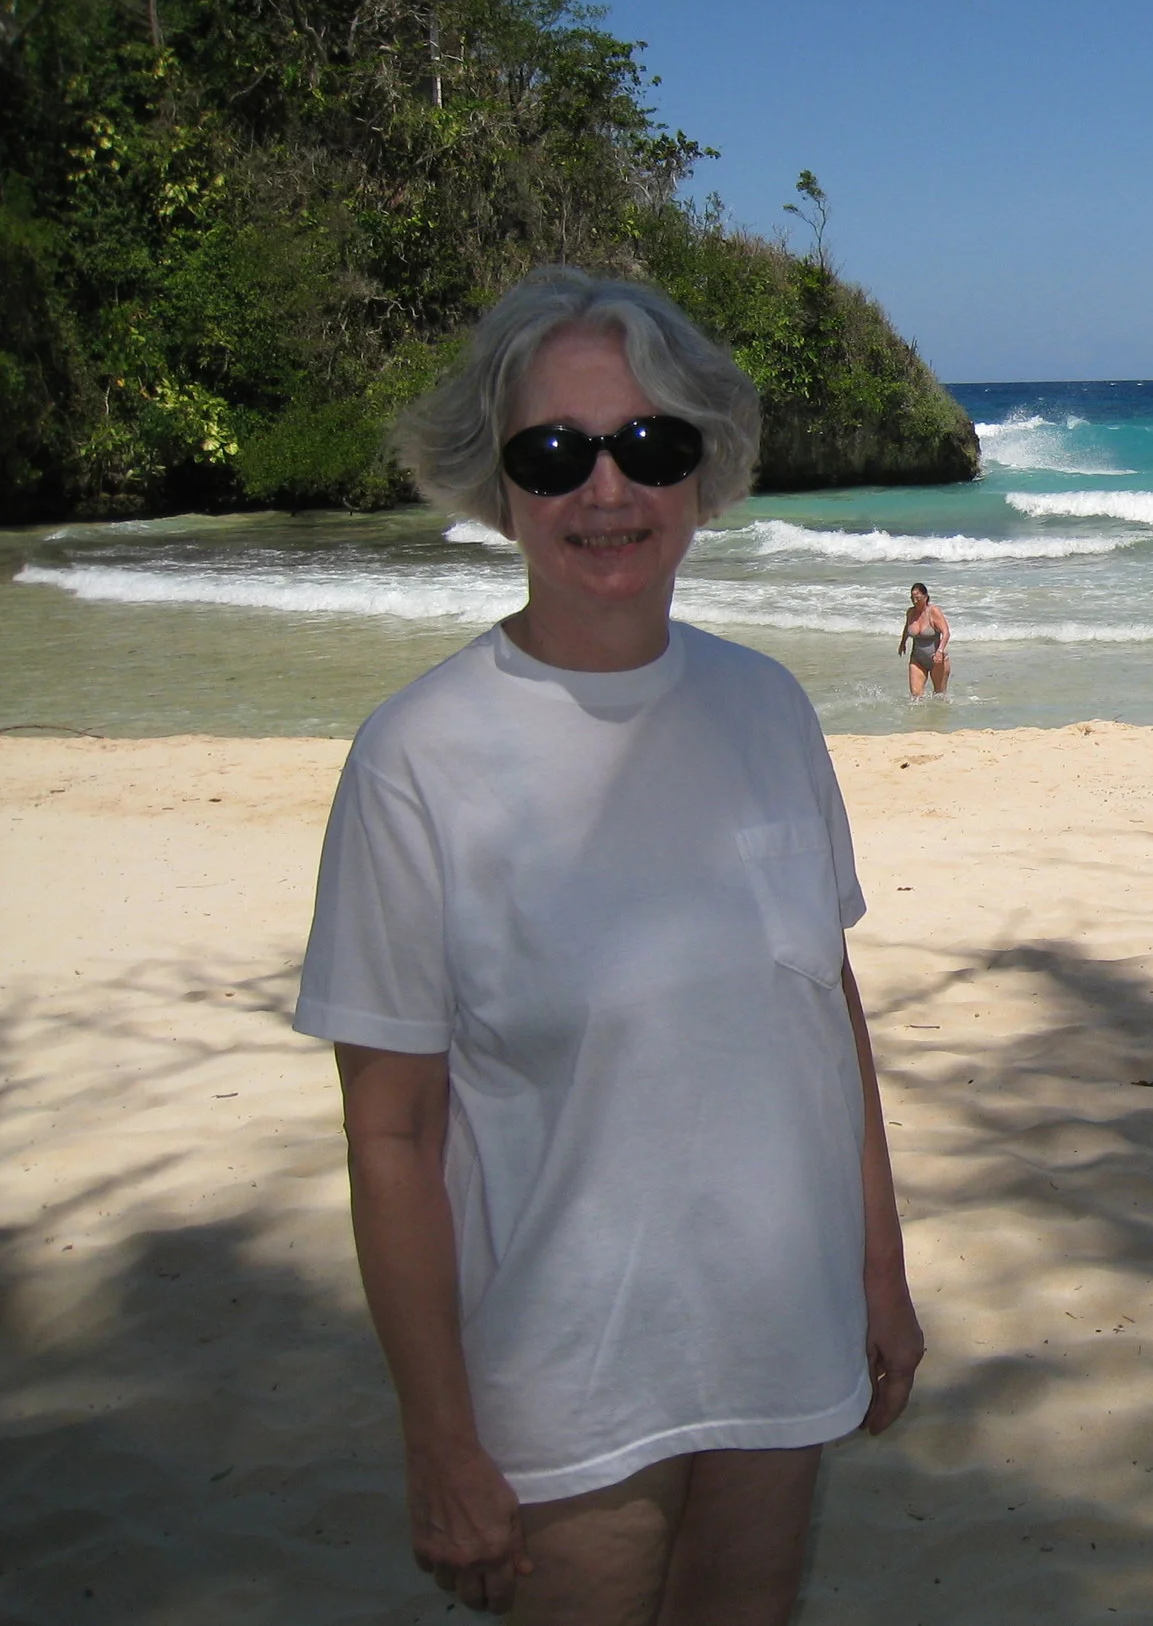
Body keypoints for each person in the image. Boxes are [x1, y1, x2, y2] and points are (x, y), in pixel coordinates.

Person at [294, 268, 923, 1623]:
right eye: (554, 452)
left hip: (780, 1340)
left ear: (702, 469)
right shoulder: (419, 758)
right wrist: (440, 1438)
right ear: (497, 481)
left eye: (649, 444)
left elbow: (827, 1003)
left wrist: (878, 1270)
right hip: (564, 1384)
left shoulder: (768, 707)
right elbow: (390, 1134)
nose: (606, 490)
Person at [897, 582, 951, 698]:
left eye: (918, 598)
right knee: (916, 696)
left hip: (937, 659)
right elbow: (907, 628)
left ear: (925, 597)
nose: (915, 601)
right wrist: (902, 643)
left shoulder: (933, 611)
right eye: (912, 598)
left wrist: (940, 651)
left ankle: (938, 715)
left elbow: (946, 633)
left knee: (939, 696)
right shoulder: (911, 612)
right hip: (917, 659)